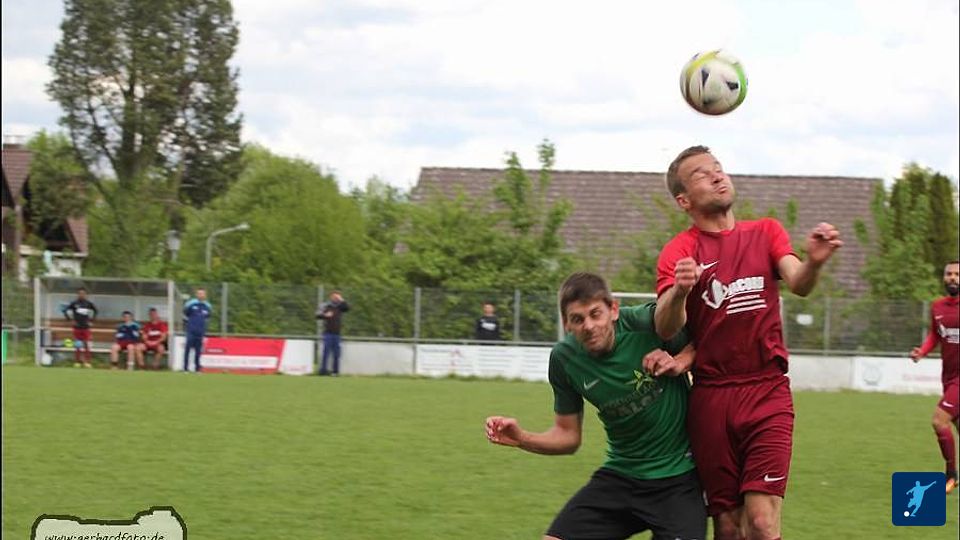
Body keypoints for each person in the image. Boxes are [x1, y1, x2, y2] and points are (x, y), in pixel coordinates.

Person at [654, 145, 842, 540]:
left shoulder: (766, 231)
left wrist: (814, 262)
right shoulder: (680, 251)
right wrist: (679, 292)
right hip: (712, 397)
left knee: (760, 521)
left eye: (718, 168)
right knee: (727, 526)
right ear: (684, 200)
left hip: (767, 392)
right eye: (702, 174)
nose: (716, 175)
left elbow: (798, 282)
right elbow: (666, 327)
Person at [485, 272, 706, 540]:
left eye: (595, 314)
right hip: (622, 476)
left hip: (678, 479)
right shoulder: (564, 359)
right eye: (577, 319)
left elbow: (708, 340)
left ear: (613, 310)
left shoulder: (647, 322)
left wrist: (679, 360)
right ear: (566, 324)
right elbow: (568, 436)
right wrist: (521, 438)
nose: (588, 326)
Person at [909, 260, 959, 494]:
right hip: (948, 376)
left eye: (957, 274)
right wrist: (922, 351)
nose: (953, 278)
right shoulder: (937, 306)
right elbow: (935, 335)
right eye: (949, 274)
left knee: (939, 421)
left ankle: (951, 475)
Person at [62, 287, 98, 368]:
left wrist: (92, 320)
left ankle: (87, 362)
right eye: (80, 293)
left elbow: (96, 311)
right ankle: (77, 362)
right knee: (78, 345)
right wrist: (69, 320)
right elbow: (65, 310)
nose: (81, 295)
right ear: (78, 294)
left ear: (86, 295)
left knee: (86, 344)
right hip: (77, 327)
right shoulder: (74, 303)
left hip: (86, 327)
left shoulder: (88, 304)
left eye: (83, 294)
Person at [316, 291, 349, 376]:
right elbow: (317, 315)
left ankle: (335, 371)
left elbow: (347, 308)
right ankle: (323, 370)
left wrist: (342, 299)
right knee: (326, 352)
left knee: (337, 353)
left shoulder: (340, 306)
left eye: (338, 297)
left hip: (337, 334)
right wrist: (325, 315)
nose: (336, 298)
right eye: (335, 297)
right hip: (328, 333)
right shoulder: (325, 305)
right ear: (331, 297)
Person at [183, 288, 212, 373]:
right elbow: (185, 314)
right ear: (196, 295)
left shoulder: (208, 306)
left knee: (198, 350)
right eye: (199, 293)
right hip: (191, 330)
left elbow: (207, 317)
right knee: (188, 349)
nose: (201, 295)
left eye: (202, 293)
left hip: (200, 332)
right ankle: (185, 368)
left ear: (205, 295)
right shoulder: (191, 304)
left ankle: (197, 368)